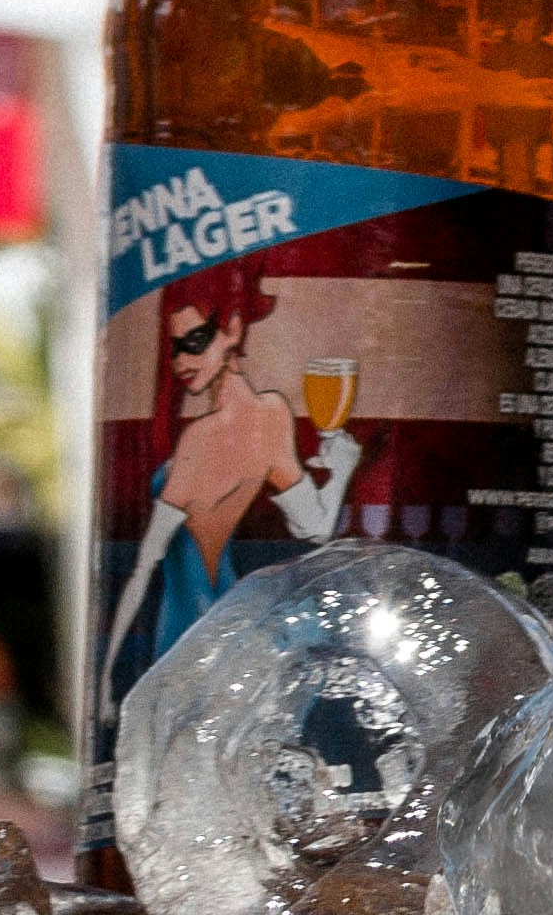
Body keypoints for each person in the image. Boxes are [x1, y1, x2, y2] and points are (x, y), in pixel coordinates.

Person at [95, 259, 358, 726]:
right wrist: (341, 471)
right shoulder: (271, 413)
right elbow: (315, 526)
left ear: (234, 329)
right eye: (174, 349)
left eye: (195, 342)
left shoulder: (205, 437)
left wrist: (105, 686)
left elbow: (143, 569)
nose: (181, 362)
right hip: (228, 620)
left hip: (195, 625)